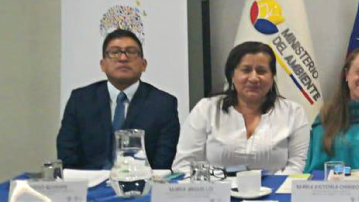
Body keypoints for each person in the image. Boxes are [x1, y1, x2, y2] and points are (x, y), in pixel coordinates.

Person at [172, 41, 309, 174]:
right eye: (246, 70)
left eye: (261, 71)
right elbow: (183, 165)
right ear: (232, 75)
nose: (254, 78)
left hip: (277, 188)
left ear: (272, 77)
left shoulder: (293, 113)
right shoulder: (206, 109)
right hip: (216, 188)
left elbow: (298, 166)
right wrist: (215, 183)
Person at [57, 28, 180, 169]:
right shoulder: (80, 100)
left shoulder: (163, 104)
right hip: (89, 181)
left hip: (142, 181)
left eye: (131, 52)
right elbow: (67, 155)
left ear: (143, 64)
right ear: (103, 65)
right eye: (114, 52)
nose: (123, 58)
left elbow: (163, 163)